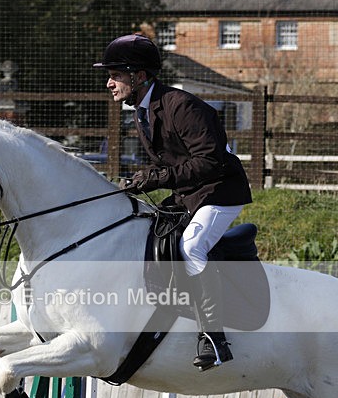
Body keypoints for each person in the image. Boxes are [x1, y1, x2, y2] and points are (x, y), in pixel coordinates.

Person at [93, 33, 252, 371]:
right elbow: (169, 161)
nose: (109, 83)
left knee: (192, 246)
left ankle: (214, 338)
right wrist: (139, 179)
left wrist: (157, 178)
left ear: (138, 76)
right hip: (191, 191)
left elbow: (211, 161)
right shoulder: (142, 110)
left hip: (220, 191)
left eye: (116, 75)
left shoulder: (182, 105)